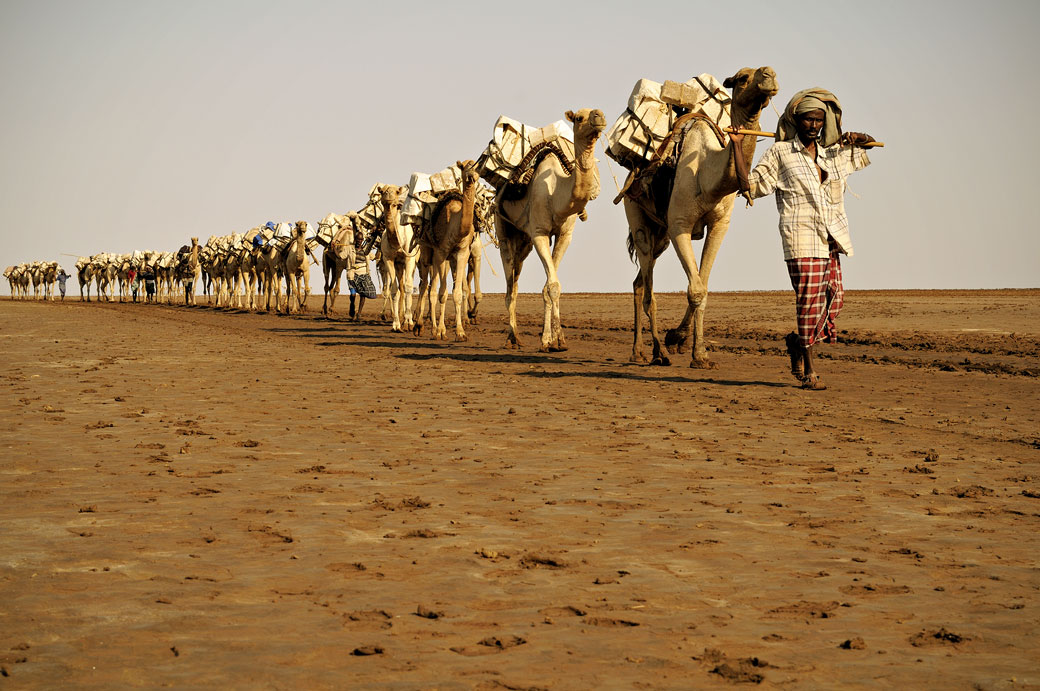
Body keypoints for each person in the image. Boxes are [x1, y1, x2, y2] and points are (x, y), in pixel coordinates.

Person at [731, 88, 876, 391]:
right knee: (808, 303)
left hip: (829, 238)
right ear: (796, 121)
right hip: (800, 238)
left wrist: (860, 138)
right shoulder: (781, 152)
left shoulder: (831, 153)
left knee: (834, 298)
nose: (813, 125)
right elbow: (751, 185)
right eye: (808, 119)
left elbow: (865, 149)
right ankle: (809, 370)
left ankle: (798, 342)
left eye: (819, 120)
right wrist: (737, 146)